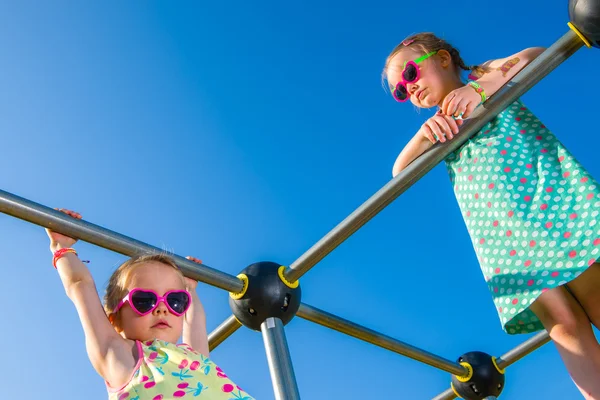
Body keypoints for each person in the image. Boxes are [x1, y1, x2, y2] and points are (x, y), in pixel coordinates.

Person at [383, 32, 600, 399]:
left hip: (545, 202)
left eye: (409, 73)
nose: (410, 88)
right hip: (504, 237)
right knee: (561, 323)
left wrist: (481, 90)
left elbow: (533, 53)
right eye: (400, 91)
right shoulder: (440, 127)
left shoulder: (484, 76)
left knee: (592, 289)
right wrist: (423, 135)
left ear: (443, 59)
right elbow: (399, 171)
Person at [46, 208, 254, 400]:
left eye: (175, 301)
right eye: (145, 300)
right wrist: (61, 247)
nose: (162, 308)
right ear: (115, 321)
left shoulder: (195, 357)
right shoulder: (123, 357)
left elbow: (196, 320)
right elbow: (81, 286)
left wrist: (189, 286)